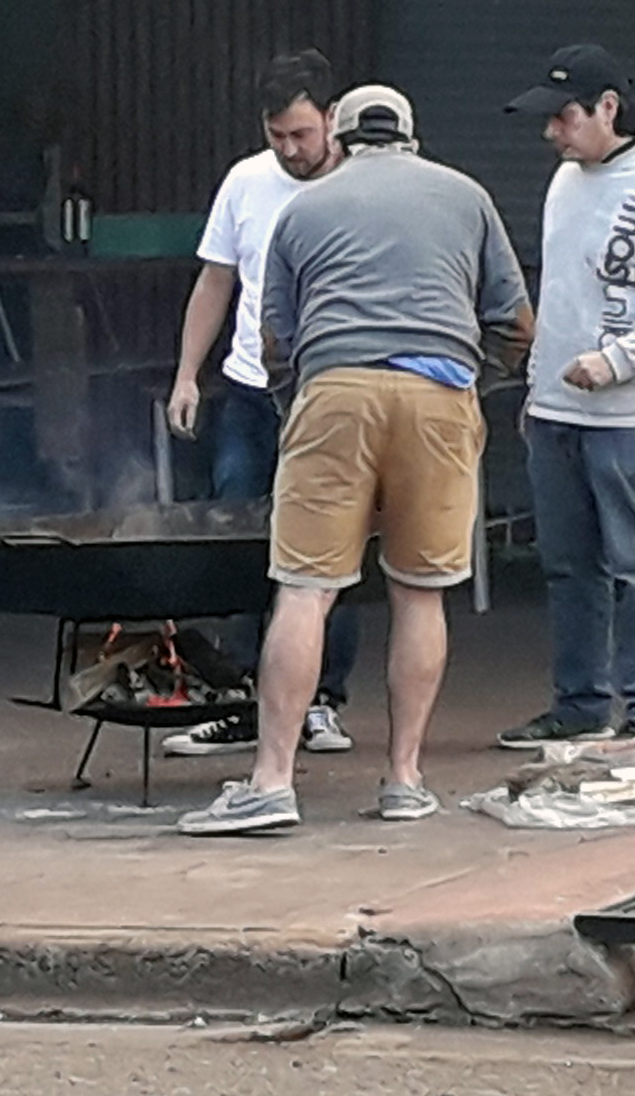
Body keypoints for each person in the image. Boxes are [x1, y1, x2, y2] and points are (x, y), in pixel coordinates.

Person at [179, 85, 532, 835]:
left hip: (333, 391)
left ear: (337, 141)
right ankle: (403, 778)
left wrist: (296, 402)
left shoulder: (304, 209)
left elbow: (274, 337)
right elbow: (516, 321)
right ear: (410, 136)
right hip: (438, 393)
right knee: (419, 592)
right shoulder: (466, 197)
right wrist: (468, 386)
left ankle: (271, 782)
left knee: (304, 590)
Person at [495, 44, 635, 749]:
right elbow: (559, 294)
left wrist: (617, 360)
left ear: (607, 109)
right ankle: (580, 700)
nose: (552, 134)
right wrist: (537, 387)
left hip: (631, 411)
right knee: (568, 563)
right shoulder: (565, 183)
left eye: (562, 117)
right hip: (558, 406)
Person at [160, 51, 359, 760]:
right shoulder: (245, 182)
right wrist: (188, 374)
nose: (289, 149)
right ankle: (243, 691)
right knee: (240, 530)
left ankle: (324, 698)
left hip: (331, 390)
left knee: (331, 542)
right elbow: (216, 281)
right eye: (276, 134)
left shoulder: (360, 183)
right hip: (249, 388)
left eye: (301, 134)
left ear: (331, 118)